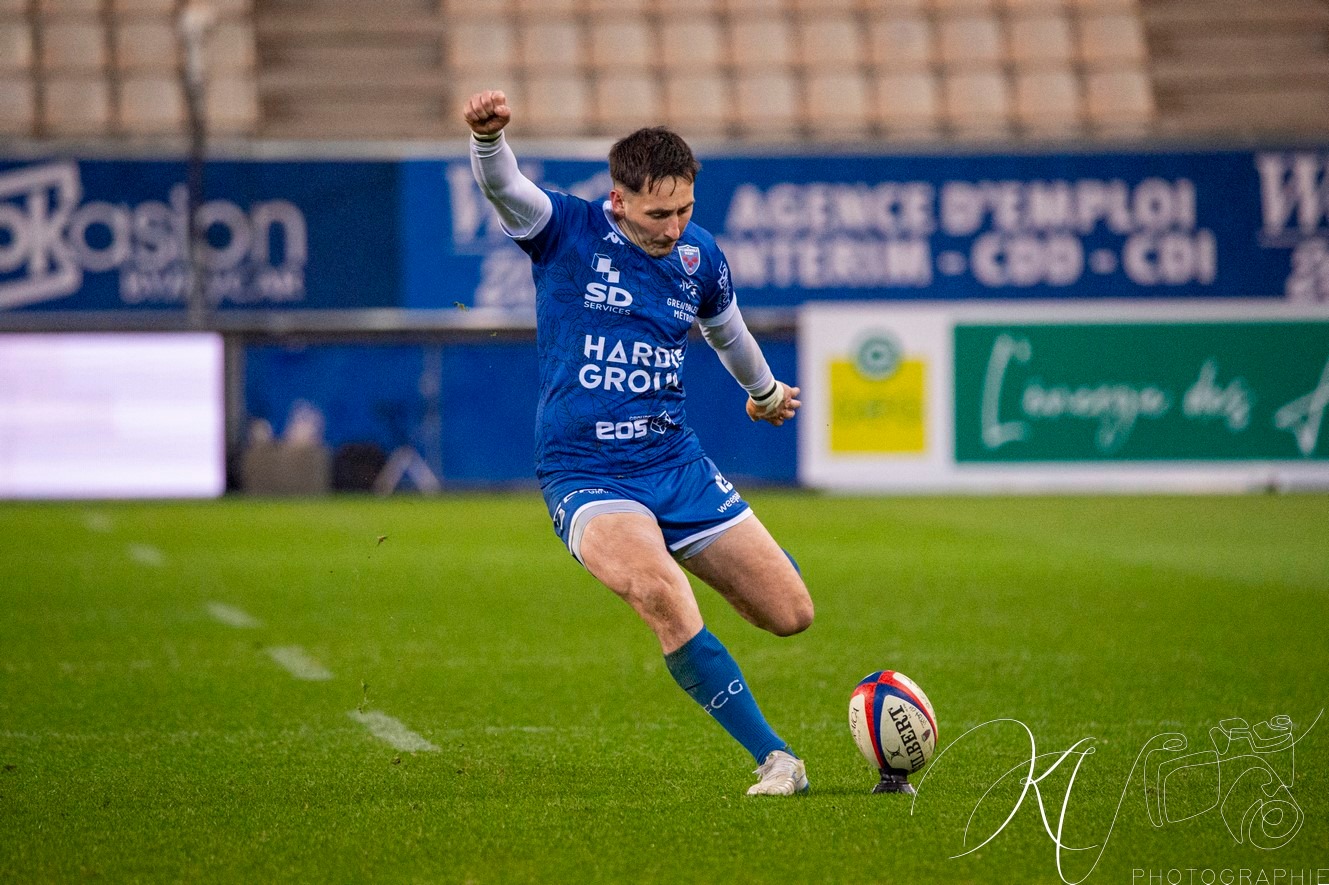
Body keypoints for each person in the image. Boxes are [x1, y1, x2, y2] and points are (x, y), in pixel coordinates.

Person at [462, 90, 814, 796]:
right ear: (618, 200)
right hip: (586, 472)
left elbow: (727, 329)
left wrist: (766, 391)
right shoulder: (565, 230)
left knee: (789, 612)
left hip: (673, 462)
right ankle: (776, 758)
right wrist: (488, 139)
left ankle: (712, 591)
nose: (675, 225)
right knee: (659, 590)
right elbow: (504, 188)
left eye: (685, 209)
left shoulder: (697, 256)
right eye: (659, 213)